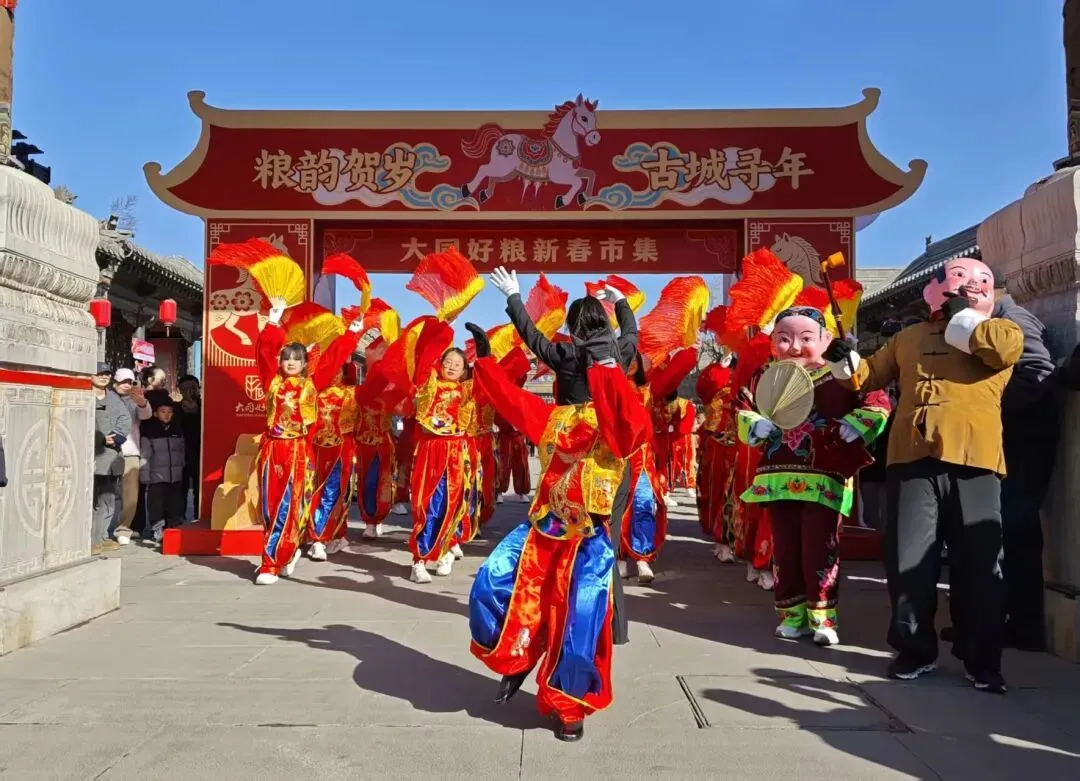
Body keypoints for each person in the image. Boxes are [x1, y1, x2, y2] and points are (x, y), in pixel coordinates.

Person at [823, 257, 1023, 693]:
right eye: (961, 279)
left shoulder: (1003, 330)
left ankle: (982, 658)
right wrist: (843, 360)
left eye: (982, 281)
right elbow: (866, 377)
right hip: (912, 454)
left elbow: (1000, 353)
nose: (973, 286)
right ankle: (913, 648)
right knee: (908, 558)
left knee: (979, 562)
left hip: (975, 457)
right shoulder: (907, 338)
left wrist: (963, 317)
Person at [467, 266, 648, 742]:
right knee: (493, 583)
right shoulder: (553, 417)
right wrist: (485, 363)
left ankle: (570, 706)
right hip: (544, 528)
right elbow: (511, 397)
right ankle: (516, 659)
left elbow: (627, 420)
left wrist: (514, 300)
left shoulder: (617, 421)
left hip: (589, 533)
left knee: (580, 618)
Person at [737, 307, 890, 646]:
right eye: (784, 339)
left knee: (820, 546)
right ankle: (791, 615)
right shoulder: (766, 376)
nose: (794, 346)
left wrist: (857, 424)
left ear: (825, 339)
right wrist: (754, 424)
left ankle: (823, 617)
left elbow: (876, 400)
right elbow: (744, 407)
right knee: (786, 549)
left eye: (805, 338)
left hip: (824, 473)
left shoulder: (840, 372)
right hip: (777, 475)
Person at [252, 306, 363, 585]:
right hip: (272, 450)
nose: (291, 362)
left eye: (297, 359)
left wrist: (351, 334)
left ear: (305, 363)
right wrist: (272, 324)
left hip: (299, 451)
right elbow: (263, 354)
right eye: (286, 358)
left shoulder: (313, 384)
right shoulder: (272, 382)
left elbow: (333, 359)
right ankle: (285, 552)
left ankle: (271, 563)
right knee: (269, 507)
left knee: (290, 505)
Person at [991, 281, 1058, 651]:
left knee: (1017, 534)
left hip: (1023, 443)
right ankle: (1000, 618)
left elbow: (1036, 375)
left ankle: (1025, 627)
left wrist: (987, 408)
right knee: (1003, 535)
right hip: (1012, 442)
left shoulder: (1014, 320)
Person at [407, 323, 476, 583]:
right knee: (426, 503)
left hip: (456, 451)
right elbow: (424, 361)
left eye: (458, 364)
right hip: (430, 449)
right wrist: (441, 329)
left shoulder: (467, 390)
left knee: (452, 502)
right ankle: (419, 560)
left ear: (464, 369)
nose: (452, 366)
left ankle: (446, 549)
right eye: (448, 362)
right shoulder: (430, 384)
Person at [305, 333, 365, 562]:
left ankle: (323, 536)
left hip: (341, 449)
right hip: (314, 448)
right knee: (312, 491)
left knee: (335, 491)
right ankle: (319, 535)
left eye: (336, 367)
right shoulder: (311, 392)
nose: (332, 372)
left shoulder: (352, 393)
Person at [354, 338, 397, 540]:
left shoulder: (391, 394)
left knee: (382, 482)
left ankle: (378, 517)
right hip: (364, 445)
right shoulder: (358, 394)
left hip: (383, 445)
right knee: (367, 483)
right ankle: (370, 520)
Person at [92, 364, 129, 554]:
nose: (103, 377)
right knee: (93, 501)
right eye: (99, 374)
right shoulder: (83, 396)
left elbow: (125, 419)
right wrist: (99, 438)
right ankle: (92, 539)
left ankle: (101, 536)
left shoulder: (114, 398)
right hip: (91, 456)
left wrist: (117, 436)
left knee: (108, 500)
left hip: (112, 455)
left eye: (107, 374)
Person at [112, 368, 152, 545]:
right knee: (106, 493)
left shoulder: (135, 400)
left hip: (130, 451)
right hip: (107, 451)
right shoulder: (107, 398)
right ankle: (102, 527)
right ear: (115, 383)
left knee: (130, 495)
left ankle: (124, 529)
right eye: (123, 382)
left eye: (130, 382)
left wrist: (142, 402)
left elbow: (146, 415)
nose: (127, 385)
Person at [139, 400, 186, 543]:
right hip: (157, 476)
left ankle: (173, 527)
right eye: (163, 411)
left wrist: (182, 468)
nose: (166, 415)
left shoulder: (177, 430)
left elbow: (182, 452)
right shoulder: (150, 431)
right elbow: (145, 455)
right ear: (155, 413)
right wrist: (145, 474)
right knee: (156, 504)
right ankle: (157, 528)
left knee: (174, 503)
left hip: (175, 476)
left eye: (169, 412)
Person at [178, 374, 202, 520]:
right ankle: (178, 517)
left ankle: (199, 515)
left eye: (192, 388)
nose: (189, 392)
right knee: (181, 487)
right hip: (181, 452)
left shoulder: (205, 405)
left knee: (200, 487)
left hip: (201, 451)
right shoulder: (176, 408)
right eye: (185, 389)